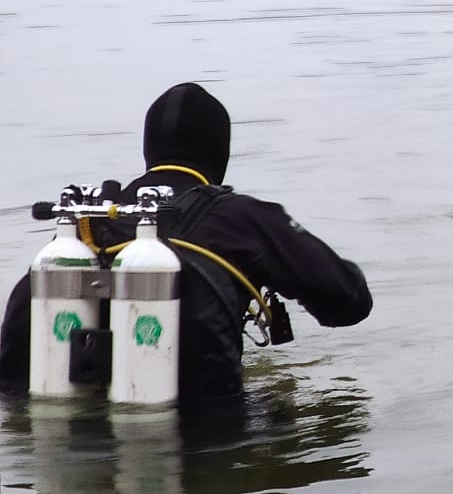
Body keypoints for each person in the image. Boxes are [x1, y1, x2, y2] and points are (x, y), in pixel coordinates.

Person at [0, 83, 374, 403]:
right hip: (200, 433)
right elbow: (350, 302)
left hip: (59, 419)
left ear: (149, 149)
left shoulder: (89, 218)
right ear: (220, 153)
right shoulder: (242, 217)